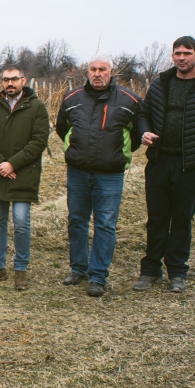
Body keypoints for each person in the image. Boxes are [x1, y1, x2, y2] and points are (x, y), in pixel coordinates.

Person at [134, 36, 195, 293]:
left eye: (187, 53)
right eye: (177, 53)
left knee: (182, 219)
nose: (182, 57)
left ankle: (177, 271)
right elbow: (143, 113)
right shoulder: (160, 84)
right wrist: (144, 132)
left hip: (190, 166)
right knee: (157, 218)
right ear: (172, 56)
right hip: (159, 162)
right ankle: (150, 270)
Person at [56, 54, 147, 297]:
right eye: (93, 69)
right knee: (76, 220)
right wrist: (74, 150)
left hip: (110, 175)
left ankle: (98, 275)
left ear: (111, 72)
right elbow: (62, 128)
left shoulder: (130, 100)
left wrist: (116, 153)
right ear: (87, 72)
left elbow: (137, 136)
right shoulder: (72, 98)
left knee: (105, 224)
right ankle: (78, 268)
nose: (97, 74)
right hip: (78, 172)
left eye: (102, 69)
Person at [0, 65, 49, 291]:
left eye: (14, 79)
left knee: (21, 222)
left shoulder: (36, 108)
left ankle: (20, 269)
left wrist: (12, 164)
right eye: (6, 79)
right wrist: (0, 163)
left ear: (23, 81)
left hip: (23, 175)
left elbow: (38, 141)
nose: (10, 83)